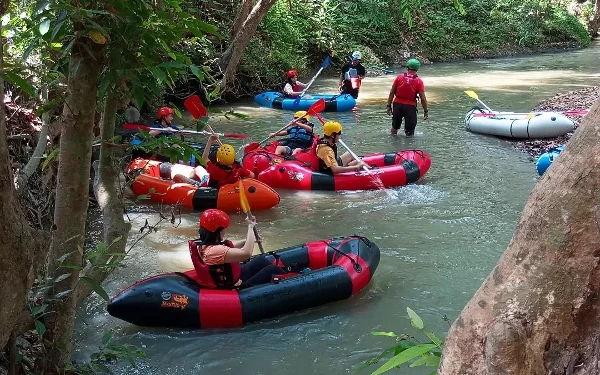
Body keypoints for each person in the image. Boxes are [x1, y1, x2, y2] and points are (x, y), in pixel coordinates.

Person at [189, 209, 287, 289]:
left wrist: (249, 240)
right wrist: (250, 227)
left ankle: (283, 276)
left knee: (260, 260)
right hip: (234, 286)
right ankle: (293, 280)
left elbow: (228, 248)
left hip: (232, 277)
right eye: (224, 229)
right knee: (272, 269)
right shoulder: (214, 251)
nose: (225, 231)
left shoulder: (203, 245)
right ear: (217, 232)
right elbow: (246, 253)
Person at [386, 58, 429, 136]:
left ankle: (393, 145)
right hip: (410, 106)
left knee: (394, 127)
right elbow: (423, 98)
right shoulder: (419, 81)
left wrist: (389, 105)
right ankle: (409, 147)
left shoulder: (399, 77)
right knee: (409, 132)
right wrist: (425, 111)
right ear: (417, 69)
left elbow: (392, 92)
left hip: (397, 105)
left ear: (407, 67)